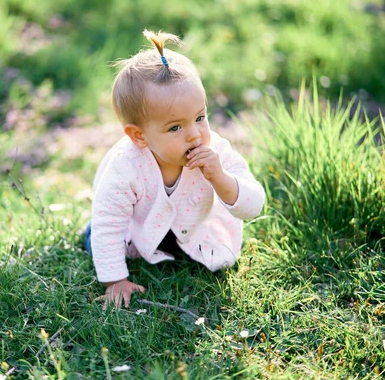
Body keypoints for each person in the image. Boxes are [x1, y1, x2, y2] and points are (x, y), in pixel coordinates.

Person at [86, 29, 265, 309]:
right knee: (99, 234)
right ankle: (90, 235)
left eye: (200, 117)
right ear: (139, 136)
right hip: (138, 230)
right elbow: (109, 224)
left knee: (209, 249)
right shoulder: (126, 167)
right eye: (175, 127)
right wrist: (115, 280)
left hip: (195, 230)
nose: (194, 135)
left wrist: (221, 178)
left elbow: (253, 207)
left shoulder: (216, 152)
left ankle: (180, 246)